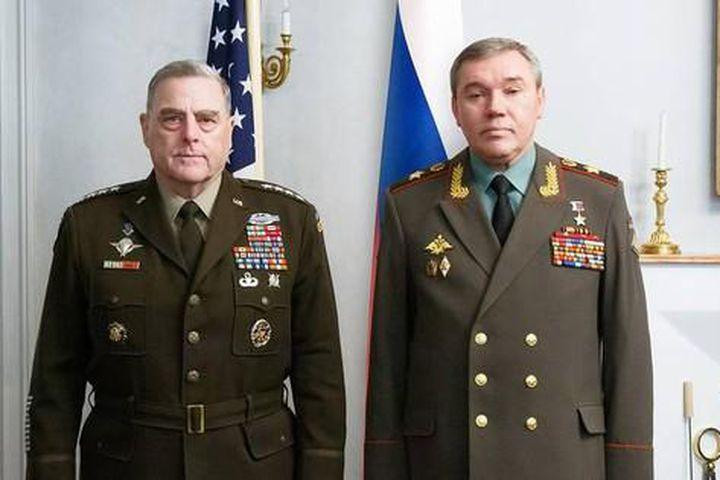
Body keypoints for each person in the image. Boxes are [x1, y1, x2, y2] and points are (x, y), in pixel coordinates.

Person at [25, 60, 345, 480]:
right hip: (130, 466)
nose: (190, 134)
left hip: (255, 465)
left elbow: (320, 372)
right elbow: (55, 378)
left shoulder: (290, 222)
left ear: (230, 130)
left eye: (207, 119)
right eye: (172, 118)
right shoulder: (89, 226)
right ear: (145, 128)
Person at [364, 38, 652, 479]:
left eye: (512, 90)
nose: (495, 107)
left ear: (540, 100)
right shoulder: (412, 204)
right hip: (449, 459)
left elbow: (627, 353)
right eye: (476, 94)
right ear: (455, 109)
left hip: (562, 458)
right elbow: (388, 360)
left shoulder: (597, 200)